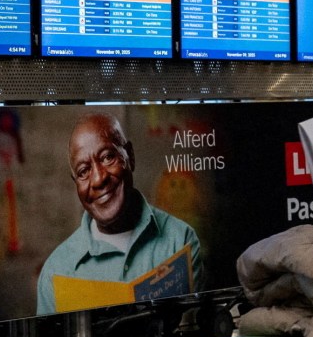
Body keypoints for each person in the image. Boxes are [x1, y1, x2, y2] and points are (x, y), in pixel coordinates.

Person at [35, 113, 204, 317]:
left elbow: (194, 331)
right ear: (76, 184)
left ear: (130, 157)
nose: (98, 179)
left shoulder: (180, 241)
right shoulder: (55, 272)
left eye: (108, 157)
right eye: (83, 171)